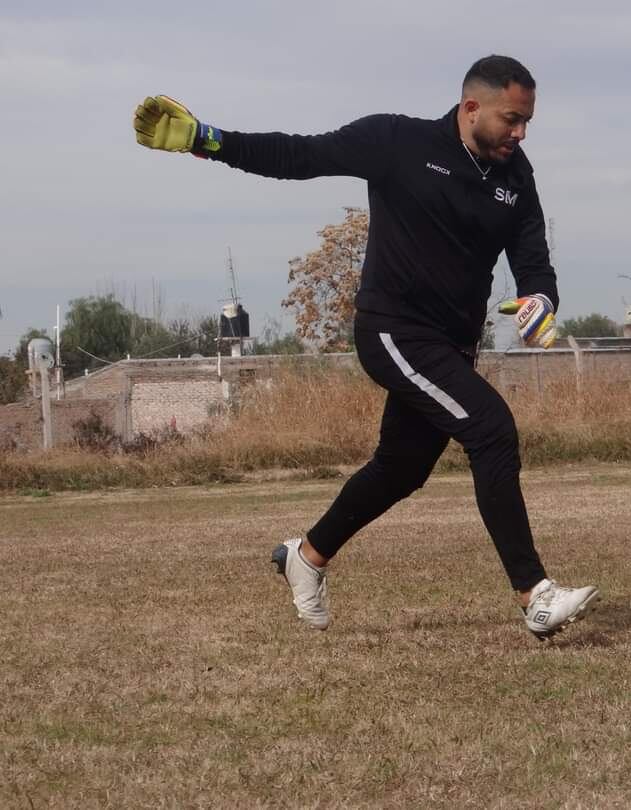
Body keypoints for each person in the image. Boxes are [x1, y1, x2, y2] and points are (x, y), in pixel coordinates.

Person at [133, 55, 599, 639]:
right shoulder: (395, 141)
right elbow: (297, 156)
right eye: (511, 119)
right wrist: (208, 140)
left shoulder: (515, 175)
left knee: (401, 469)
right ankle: (535, 594)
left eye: (527, 121)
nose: (520, 133)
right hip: (393, 330)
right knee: (490, 428)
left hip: (453, 345)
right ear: (471, 107)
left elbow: (533, 258)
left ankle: (306, 557)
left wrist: (540, 299)